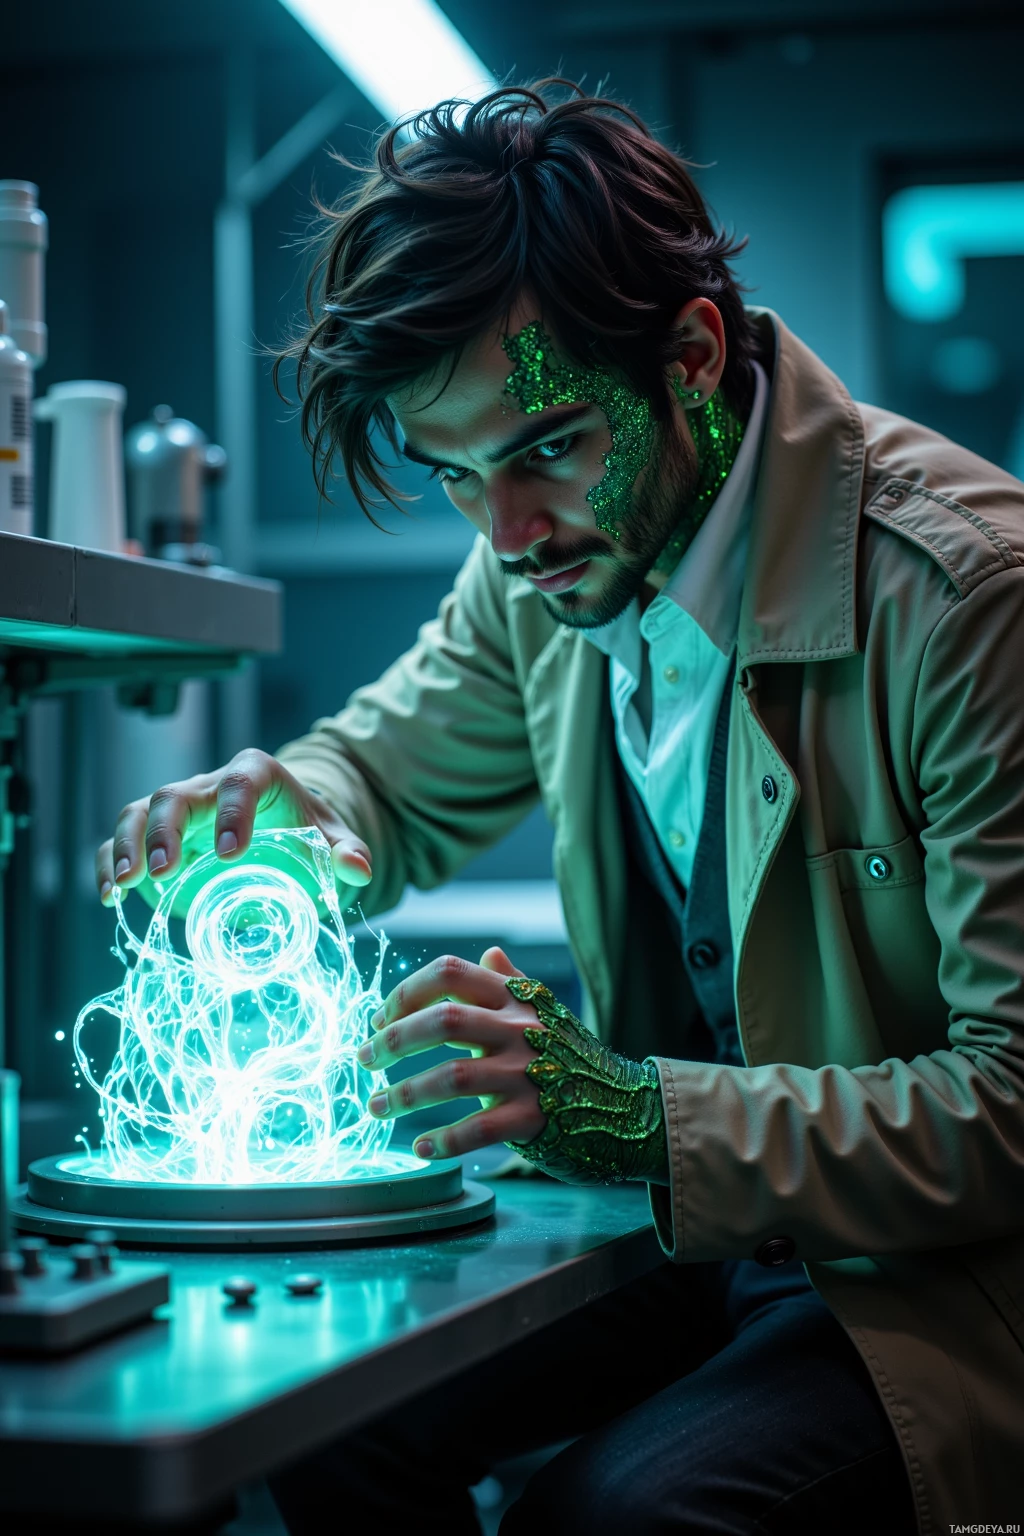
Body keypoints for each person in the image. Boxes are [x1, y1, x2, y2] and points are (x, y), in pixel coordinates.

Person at [95, 82, 1024, 1533]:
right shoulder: (546, 562)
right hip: (700, 1244)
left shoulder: (968, 598)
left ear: (694, 357)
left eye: (543, 449)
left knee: (615, 1520)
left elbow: (1015, 1109)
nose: (507, 534)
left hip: (941, 1287)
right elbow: (382, 779)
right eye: (456, 476)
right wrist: (279, 810)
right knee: (324, 1417)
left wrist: (642, 1119)